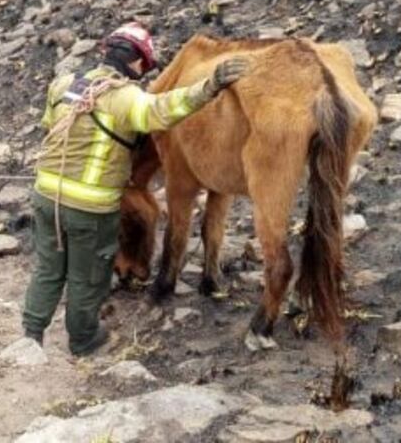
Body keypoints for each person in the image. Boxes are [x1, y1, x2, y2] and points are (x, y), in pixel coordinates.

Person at [22, 24, 250, 356]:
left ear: (106, 51)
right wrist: (209, 87)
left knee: (48, 269)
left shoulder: (63, 85)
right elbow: (161, 111)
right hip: (89, 208)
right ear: (138, 63)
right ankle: (84, 340)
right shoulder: (125, 97)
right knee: (89, 277)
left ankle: (30, 336)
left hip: (45, 198)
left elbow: (50, 127)